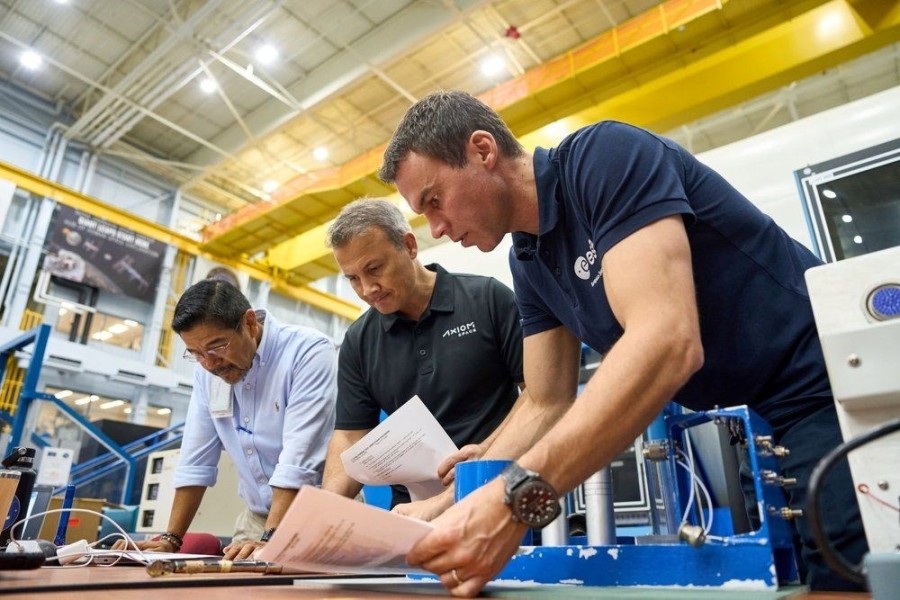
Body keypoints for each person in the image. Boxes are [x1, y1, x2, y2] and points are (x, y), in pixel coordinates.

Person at [378, 90, 867, 596]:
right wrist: (443, 505)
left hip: (822, 390)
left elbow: (667, 340)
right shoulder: (527, 261)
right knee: (786, 581)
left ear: (483, 150)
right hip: (745, 429)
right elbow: (545, 401)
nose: (437, 228)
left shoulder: (605, 158)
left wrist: (514, 500)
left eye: (434, 201)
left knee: (846, 575)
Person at [321, 198, 535, 519]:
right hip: (411, 512)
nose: (367, 289)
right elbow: (351, 435)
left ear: (409, 246)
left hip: (496, 493)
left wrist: (488, 452)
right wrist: (321, 513)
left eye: (374, 269)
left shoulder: (489, 300)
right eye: (352, 278)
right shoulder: (358, 341)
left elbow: (538, 395)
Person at [114, 278, 337, 559]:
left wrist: (271, 538)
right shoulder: (207, 372)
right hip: (257, 520)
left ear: (249, 323)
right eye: (196, 354)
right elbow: (195, 459)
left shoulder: (307, 351)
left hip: (319, 517)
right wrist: (170, 540)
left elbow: (298, 460)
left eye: (217, 347)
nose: (209, 364)